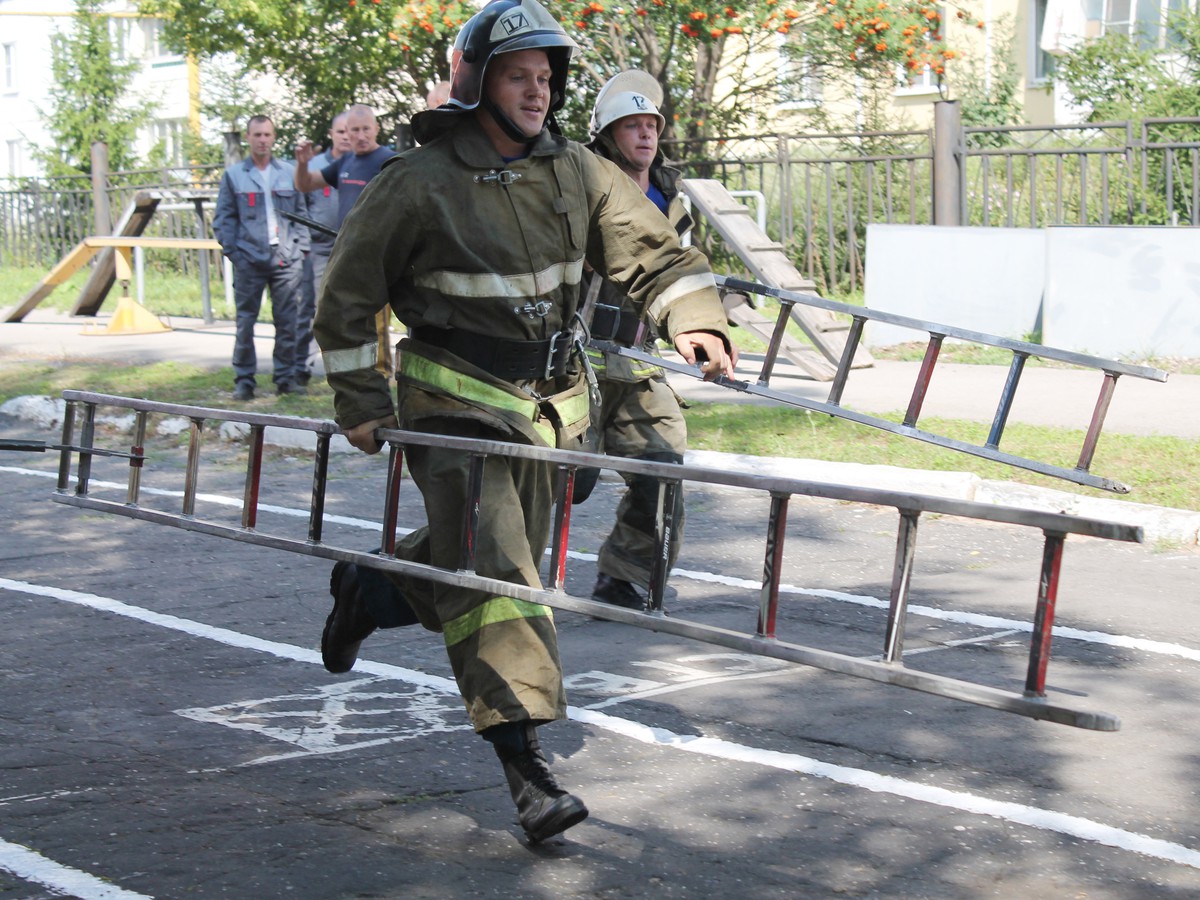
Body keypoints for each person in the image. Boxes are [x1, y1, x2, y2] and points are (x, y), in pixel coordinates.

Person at [312, 0, 737, 844]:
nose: (537, 93)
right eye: (520, 76)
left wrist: (694, 317)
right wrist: (363, 402)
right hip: (452, 402)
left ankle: (372, 590)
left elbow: (652, 250)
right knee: (503, 575)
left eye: (546, 78)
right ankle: (526, 769)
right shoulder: (417, 180)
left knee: (482, 559)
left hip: (548, 407)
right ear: (478, 82)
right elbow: (349, 298)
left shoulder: (577, 169)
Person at [580, 71, 699, 612]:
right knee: (558, 480)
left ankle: (624, 576)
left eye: (651, 124)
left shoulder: (675, 199)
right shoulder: (577, 182)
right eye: (632, 125)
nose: (646, 134)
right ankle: (485, 569)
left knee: (663, 467)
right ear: (607, 134)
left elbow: (685, 273)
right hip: (572, 359)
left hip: (637, 359)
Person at [213, 114, 310, 400]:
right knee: (245, 322)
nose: (263, 140)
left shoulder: (289, 172)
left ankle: (285, 377)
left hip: (286, 259)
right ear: (248, 137)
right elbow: (223, 220)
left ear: (274, 136)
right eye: (257, 135)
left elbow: (302, 214)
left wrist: (301, 250)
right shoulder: (234, 175)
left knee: (287, 321)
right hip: (249, 260)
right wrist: (236, 254)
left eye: (267, 135)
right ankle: (244, 380)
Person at [295, 105, 398, 375]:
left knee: (377, 322)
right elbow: (305, 184)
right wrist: (303, 163)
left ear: (376, 129)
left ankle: (383, 375)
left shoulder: (390, 160)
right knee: (345, 318)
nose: (361, 135)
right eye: (354, 130)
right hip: (344, 254)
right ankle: (355, 374)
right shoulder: (345, 162)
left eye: (366, 129)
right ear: (346, 133)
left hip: (377, 258)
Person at [296, 112, 352, 386]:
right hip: (319, 249)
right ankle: (303, 368)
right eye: (340, 131)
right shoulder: (315, 166)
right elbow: (300, 203)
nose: (345, 136)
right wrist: (303, 246)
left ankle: (346, 371)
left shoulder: (362, 163)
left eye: (349, 131)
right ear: (332, 133)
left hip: (353, 250)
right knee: (316, 310)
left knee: (352, 313)